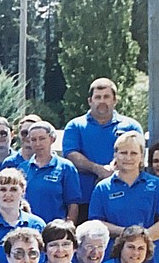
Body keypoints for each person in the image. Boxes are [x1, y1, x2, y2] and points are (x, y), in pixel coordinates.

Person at [88, 130, 159, 263]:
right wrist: (127, 234)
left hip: (148, 262)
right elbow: (96, 223)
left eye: (133, 153)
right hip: (113, 260)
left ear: (142, 157)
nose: (128, 157)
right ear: (115, 155)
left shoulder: (157, 186)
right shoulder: (103, 188)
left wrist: (141, 241)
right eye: (123, 153)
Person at [62, 77, 144, 208]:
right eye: (98, 97)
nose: (102, 101)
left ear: (115, 100)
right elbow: (71, 155)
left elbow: (140, 156)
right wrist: (99, 170)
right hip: (84, 200)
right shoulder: (75, 126)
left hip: (125, 198)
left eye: (106, 97)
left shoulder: (131, 126)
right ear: (90, 101)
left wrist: (113, 169)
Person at [0, 169, 47, 263]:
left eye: (13, 189)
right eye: (3, 189)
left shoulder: (37, 225)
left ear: (23, 191)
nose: (8, 194)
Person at [22, 121, 80, 224]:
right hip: (28, 228)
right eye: (33, 140)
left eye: (42, 138)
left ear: (52, 139)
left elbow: (73, 204)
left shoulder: (66, 167)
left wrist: (68, 228)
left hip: (54, 230)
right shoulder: (22, 168)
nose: (38, 143)